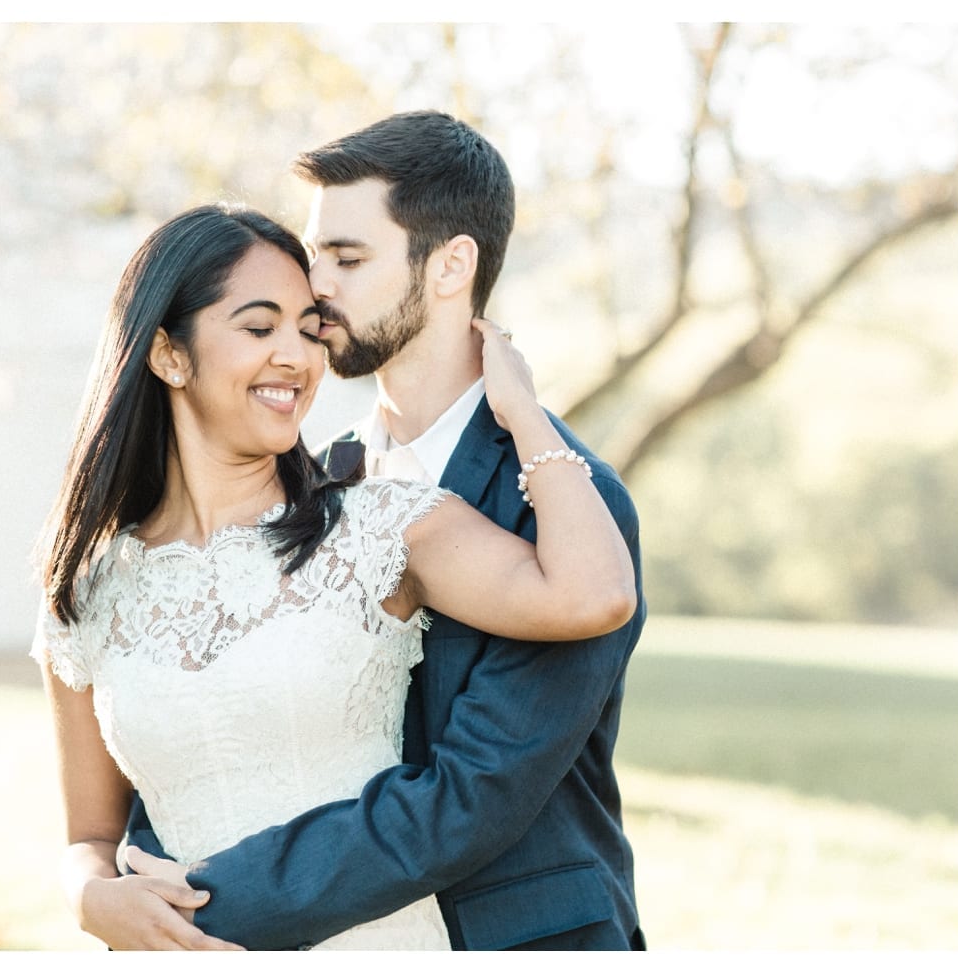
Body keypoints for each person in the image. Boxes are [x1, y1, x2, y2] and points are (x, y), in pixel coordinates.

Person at [32, 201, 636, 950]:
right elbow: (90, 832)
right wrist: (89, 895)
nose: (298, 356)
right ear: (168, 354)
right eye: (259, 328)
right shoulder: (85, 591)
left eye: (309, 328)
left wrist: (521, 410)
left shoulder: (382, 525)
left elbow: (596, 593)